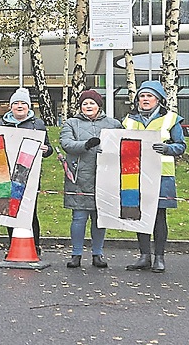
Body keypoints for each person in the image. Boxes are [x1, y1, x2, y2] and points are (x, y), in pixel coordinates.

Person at [121, 80, 186, 272]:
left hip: (162, 174)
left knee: (159, 216)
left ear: (159, 99)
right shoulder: (128, 120)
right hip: (134, 173)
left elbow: (181, 145)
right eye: (142, 96)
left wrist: (167, 148)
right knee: (137, 214)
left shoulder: (172, 119)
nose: (145, 99)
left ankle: (159, 257)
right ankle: (144, 256)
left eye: (149, 96)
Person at [59, 89, 122, 269]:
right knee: (78, 217)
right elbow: (67, 144)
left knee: (99, 218)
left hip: (105, 176)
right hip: (79, 177)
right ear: (80, 106)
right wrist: (86, 145)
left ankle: (97, 253)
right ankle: (76, 254)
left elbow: (123, 143)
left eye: (92, 103)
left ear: (99, 106)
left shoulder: (113, 124)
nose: (88, 106)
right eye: (85, 103)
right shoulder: (71, 123)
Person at [0, 86, 53, 251]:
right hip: (8, 174)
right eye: (16, 103)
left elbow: (48, 149)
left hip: (30, 176)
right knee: (11, 211)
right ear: (11, 106)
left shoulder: (38, 124)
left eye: (23, 103)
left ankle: (34, 245)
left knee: (30, 211)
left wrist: (46, 150)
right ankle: (13, 245)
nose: (20, 106)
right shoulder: (2, 124)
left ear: (29, 107)